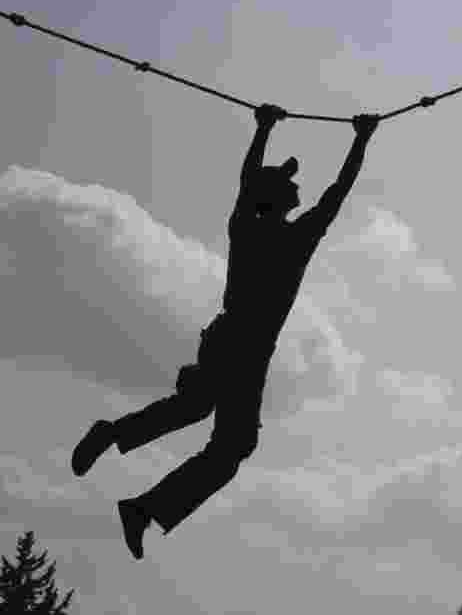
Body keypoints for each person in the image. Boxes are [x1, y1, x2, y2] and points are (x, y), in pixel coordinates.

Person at [70, 103, 380, 559]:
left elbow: (248, 179)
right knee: (233, 444)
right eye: (290, 183)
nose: (297, 186)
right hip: (248, 349)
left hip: (224, 338)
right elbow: (337, 191)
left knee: (194, 407)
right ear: (276, 198)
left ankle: (117, 446)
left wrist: (263, 129)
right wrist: (361, 139)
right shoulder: (299, 239)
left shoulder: (243, 227)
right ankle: (140, 499)